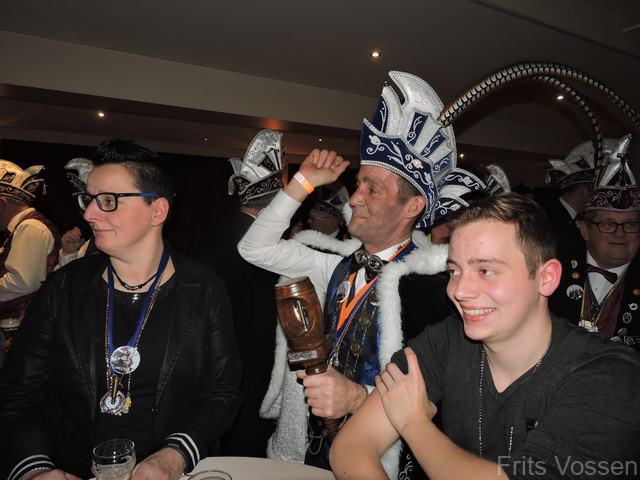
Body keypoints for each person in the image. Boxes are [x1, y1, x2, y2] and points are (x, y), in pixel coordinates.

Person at [238, 71, 484, 478]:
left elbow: (446, 396)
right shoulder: (334, 263)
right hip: (310, 452)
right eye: (358, 186)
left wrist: (358, 397)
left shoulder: (435, 288)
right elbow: (254, 248)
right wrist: (303, 181)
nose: (354, 199)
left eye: (373, 189)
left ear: (412, 207)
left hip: (377, 463)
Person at [330, 192, 640, 479]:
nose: (460, 291)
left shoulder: (609, 376)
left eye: (486, 271)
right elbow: (350, 448)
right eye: (455, 271)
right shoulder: (445, 341)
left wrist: (414, 423)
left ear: (546, 278)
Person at [0, 139, 241, 480]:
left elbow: (222, 393)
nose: (89, 213)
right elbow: (17, 393)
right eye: (89, 199)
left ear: (157, 211)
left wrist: (174, 455)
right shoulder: (63, 288)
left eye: (108, 201)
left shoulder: (204, 290)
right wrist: (35, 468)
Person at [197, 128, 284, 457]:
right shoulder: (261, 249)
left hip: (216, 365)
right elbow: (265, 319)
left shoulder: (216, 233)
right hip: (252, 370)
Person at [550, 134, 640, 350]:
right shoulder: (553, 268)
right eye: (608, 223)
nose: (620, 233)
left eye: (630, 224)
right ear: (585, 230)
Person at [0, 160, 60, 366]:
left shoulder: (30, 227)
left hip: (21, 327)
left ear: (2, 203)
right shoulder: (23, 227)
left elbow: (22, 282)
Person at [539, 138, 617, 267]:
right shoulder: (548, 218)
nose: (598, 199)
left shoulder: (577, 218)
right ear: (583, 190)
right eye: (596, 193)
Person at [55, 157, 98, 269]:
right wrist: (69, 253)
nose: (88, 216)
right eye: (86, 204)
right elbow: (67, 279)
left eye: (108, 202)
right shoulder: (88, 247)